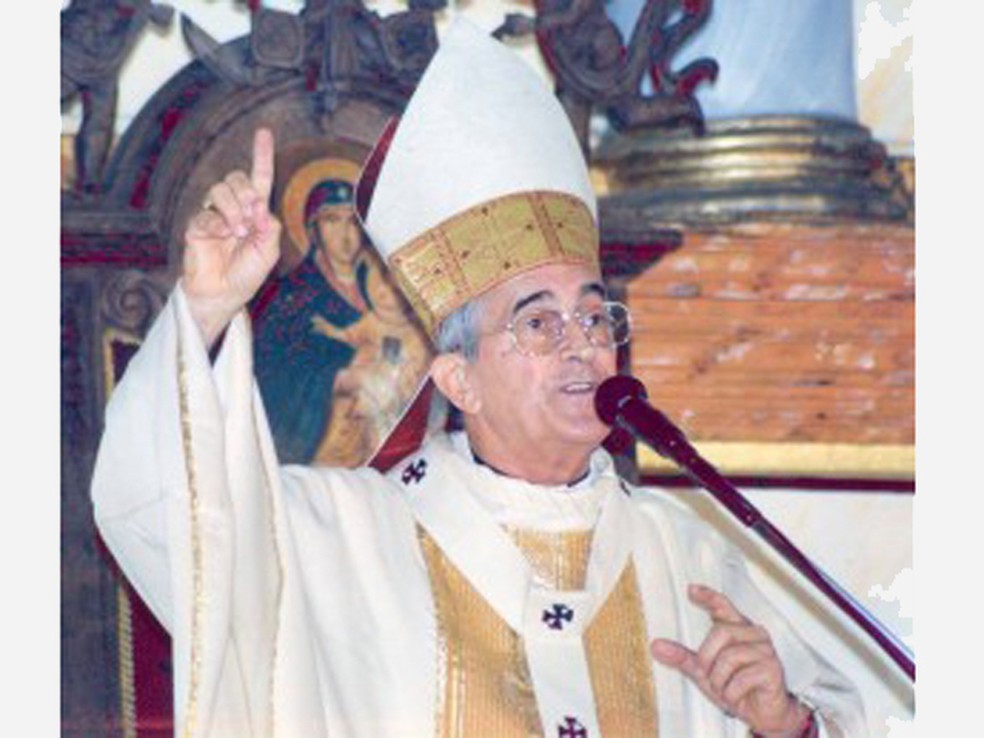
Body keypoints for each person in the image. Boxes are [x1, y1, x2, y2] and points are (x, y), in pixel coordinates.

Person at [91, 20, 866, 738]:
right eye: (538, 323)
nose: (582, 347)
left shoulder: (683, 557)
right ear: (457, 380)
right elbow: (164, 515)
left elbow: (836, 715)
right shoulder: (343, 539)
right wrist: (205, 306)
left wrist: (787, 724)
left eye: (596, 319)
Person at [250, 176, 370, 464]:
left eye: (353, 221)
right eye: (331, 220)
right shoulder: (292, 296)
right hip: (316, 445)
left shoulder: (382, 290)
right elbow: (269, 371)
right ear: (312, 230)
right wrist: (334, 379)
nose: (345, 233)